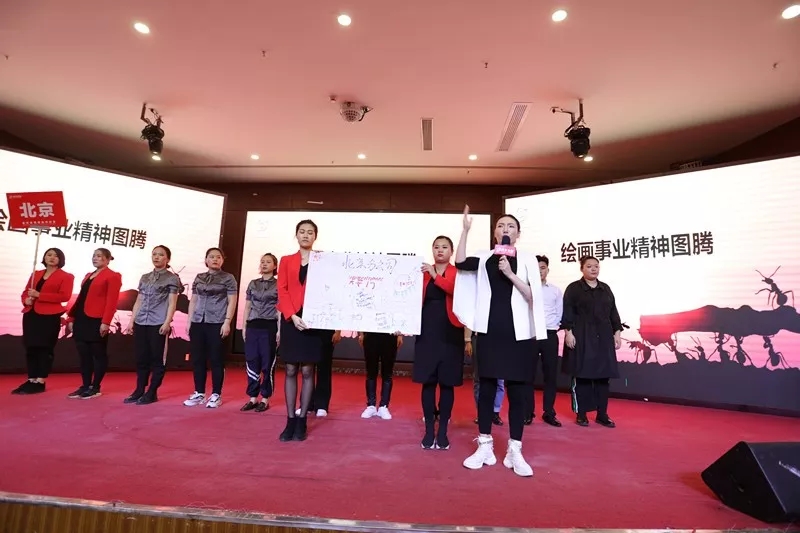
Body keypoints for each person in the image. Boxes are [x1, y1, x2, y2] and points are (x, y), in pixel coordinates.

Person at [453, 206, 547, 477]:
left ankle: (514, 450)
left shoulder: (527, 259)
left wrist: (510, 274)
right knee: (486, 389)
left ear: (518, 234)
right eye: (501, 226)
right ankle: (484, 445)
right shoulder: (485, 257)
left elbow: (533, 296)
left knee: (517, 392)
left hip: (520, 335)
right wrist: (465, 231)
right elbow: (460, 263)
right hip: (489, 332)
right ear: (495, 233)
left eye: (510, 226)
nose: (505, 229)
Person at [412, 235, 466, 450]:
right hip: (427, 334)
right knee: (428, 382)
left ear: (451, 252)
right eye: (436, 247)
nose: (440, 250)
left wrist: (435, 276)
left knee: (447, 383)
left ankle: (442, 431)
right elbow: (410, 300)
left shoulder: (458, 273)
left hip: (451, 334)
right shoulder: (422, 273)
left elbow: (456, 292)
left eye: (444, 247)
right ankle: (428, 431)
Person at [561, 255, 622, 428]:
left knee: (603, 378)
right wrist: (568, 333)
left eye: (596, 266)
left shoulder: (605, 288)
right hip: (581, 337)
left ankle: (602, 414)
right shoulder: (574, 288)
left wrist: (617, 333)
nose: (594, 269)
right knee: (582, 377)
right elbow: (567, 313)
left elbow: (613, 312)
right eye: (589, 266)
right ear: (582, 269)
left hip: (603, 338)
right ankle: (581, 414)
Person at [277, 219, 324, 442]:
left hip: (313, 320)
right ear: (296, 235)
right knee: (290, 370)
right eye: (302, 232)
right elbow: (282, 289)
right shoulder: (286, 260)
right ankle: (290, 420)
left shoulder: (323, 261)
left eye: (310, 232)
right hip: (291, 318)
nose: (306, 235)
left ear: (315, 236)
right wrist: (292, 316)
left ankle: (302, 419)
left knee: (307, 370)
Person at [124, 245, 183, 405]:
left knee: (157, 358)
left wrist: (167, 322)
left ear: (167, 259)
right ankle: (139, 390)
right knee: (141, 357)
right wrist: (132, 320)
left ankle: (152, 392)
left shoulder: (171, 278)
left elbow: (172, 303)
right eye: (154, 254)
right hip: (141, 321)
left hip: (158, 323)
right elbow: (139, 300)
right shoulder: (145, 277)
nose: (156, 257)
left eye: (161, 255)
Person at [12, 248, 74, 395]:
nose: (52, 258)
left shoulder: (66, 276)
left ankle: (40, 381)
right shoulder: (36, 274)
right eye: (49, 255)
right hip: (31, 314)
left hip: (49, 316)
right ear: (44, 257)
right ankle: (31, 379)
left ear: (60, 259)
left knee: (45, 348)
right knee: (31, 347)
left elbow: (64, 296)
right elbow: (26, 292)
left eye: (56, 256)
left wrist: (39, 295)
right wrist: (26, 300)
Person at [183, 247, 238, 409]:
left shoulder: (228, 278)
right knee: (198, 358)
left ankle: (216, 394)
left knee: (216, 359)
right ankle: (199, 392)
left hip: (217, 322)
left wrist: (227, 321)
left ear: (222, 260)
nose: (215, 259)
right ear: (206, 260)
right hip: (198, 321)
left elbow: (232, 301)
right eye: (211, 257)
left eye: (218, 257)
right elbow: (193, 300)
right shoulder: (199, 277)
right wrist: (189, 321)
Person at [66, 248, 122, 399]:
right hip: (81, 318)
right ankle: (85, 385)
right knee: (83, 353)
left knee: (98, 353)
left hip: (97, 319)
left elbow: (112, 301)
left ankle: (95, 387)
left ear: (108, 259)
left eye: (99, 256)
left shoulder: (113, 276)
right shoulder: (88, 275)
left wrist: (106, 322)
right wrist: (71, 317)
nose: (95, 258)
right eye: (94, 256)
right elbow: (80, 298)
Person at [524, 254, 563, 427]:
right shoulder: (524, 288)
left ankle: (549, 413)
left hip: (549, 334)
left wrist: (551, 326)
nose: (540, 271)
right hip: (530, 335)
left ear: (548, 270)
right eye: (536, 268)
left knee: (550, 376)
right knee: (528, 375)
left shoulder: (555, 290)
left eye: (543, 268)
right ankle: (528, 412)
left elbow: (559, 313)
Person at [241, 253, 280, 412]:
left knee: (267, 363)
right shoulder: (253, 283)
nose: (264, 264)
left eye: (268, 262)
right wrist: (244, 326)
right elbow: (247, 306)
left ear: (275, 266)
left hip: (269, 326)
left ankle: (265, 398)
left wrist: (280, 330)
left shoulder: (278, 284)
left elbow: (280, 310)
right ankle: (252, 397)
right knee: (252, 360)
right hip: (253, 325)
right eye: (262, 261)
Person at [359, 331, 402, 420]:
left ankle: (384, 406)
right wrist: (361, 334)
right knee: (371, 372)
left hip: (390, 335)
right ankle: (371, 405)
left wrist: (400, 335)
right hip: (370, 334)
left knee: (387, 373)